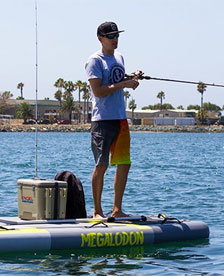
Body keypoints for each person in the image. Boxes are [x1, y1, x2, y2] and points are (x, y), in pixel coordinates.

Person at [84, 21, 140, 218]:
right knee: (102, 164)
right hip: (102, 120)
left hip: (120, 118)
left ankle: (117, 210)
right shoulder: (94, 61)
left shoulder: (119, 57)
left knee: (124, 163)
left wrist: (130, 79)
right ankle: (97, 211)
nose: (115, 39)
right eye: (111, 36)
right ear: (100, 38)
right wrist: (124, 83)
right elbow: (98, 91)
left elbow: (116, 79)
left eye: (117, 35)